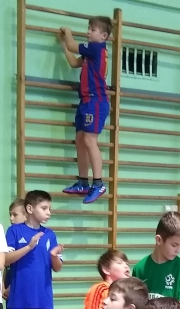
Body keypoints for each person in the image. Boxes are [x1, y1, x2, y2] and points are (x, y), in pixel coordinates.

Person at [58, 16, 112, 205]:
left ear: (103, 36)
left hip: (96, 101)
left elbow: (73, 45)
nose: (88, 32)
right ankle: (83, 182)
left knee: (89, 140)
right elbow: (74, 62)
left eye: (92, 29)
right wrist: (64, 44)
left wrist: (68, 33)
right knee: (80, 140)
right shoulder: (91, 54)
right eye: (88, 28)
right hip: (86, 101)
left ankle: (98, 183)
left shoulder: (97, 48)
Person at [4, 190, 63, 309]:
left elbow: (57, 267)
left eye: (49, 209)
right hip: (19, 295)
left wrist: (54, 256)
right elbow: (6, 259)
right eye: (44, 208)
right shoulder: (14, 231)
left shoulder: (50, 235)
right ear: (30, 209)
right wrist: (29, 247)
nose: (48, 212)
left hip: (41, 294)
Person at [3, 198, 28, 309]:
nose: (11, 218)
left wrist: (13, 286)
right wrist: (3, 286)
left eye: (15, 215)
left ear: (26, 216)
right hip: (11, 286)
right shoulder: (11, 232)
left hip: (22, 287)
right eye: (10, 214)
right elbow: (6, 262)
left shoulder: (13, 230)